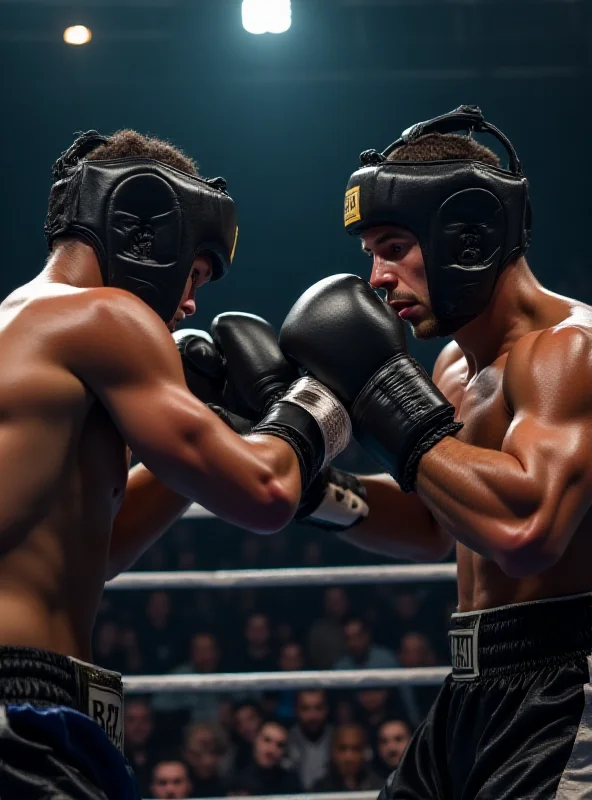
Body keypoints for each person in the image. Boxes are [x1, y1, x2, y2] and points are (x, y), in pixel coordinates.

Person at [0, 128, 351, 800]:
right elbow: (266, 492)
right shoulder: (107, 316)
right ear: (143, 236)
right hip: (22, 709)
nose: (190, 304)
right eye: (194, 273)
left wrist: (199, 434)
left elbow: (86, 553)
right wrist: (324, 401)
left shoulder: (25, 324)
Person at [276, 105, 592, 797]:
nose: (377, 279)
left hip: (567, 686)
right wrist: (311, 490)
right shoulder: (451, 366)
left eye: (392, 248)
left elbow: (527, 529)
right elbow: (431, 524)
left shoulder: (569, 352)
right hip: (473, 688)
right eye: (371, 257)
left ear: (467, 237)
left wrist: (388, 397)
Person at [227, 719, 302, 796]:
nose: (271, 750)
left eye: (280, 745)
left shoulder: (291, 784)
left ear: (285, 751)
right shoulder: (235, 783)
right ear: (256, 740)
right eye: (267, 740)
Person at [312, 723, 383, 792]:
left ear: (365, 752)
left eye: (356, 749)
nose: (349, 757)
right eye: (342, 749)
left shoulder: (379, 789)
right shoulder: (319, 791)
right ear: (332, 752)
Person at [288, 689, 333, 790]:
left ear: (326, 709)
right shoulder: (285, 739)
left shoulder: (338, 738)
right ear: (295, 710)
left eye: (318, 708)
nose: (312, 716)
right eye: (305, 708)